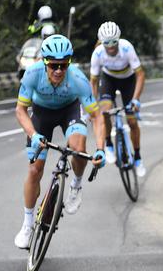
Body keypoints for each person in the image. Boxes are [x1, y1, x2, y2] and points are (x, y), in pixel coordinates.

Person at [14, 35, 106, 248]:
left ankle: (76, 185)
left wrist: (100, 148)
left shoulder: (77, 79)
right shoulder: (32, 73)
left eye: (63, 65)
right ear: (44, 62)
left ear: (69, 63)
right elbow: (20, 110)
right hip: (41, 114)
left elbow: (97, 116)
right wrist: (34, 135)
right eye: (53, 65)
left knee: (78, 148)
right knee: (35, 170)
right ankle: (27, 224)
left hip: (69, 111)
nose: (58, 70)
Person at [90, 21, 146, 176]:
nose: (111, 46)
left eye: (114, 42)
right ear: (102, 43)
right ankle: (108, 144)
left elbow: (140, 75)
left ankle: (138, 157)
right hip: (109, 80)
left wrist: (135, 99)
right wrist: (91, 105)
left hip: (128, 81)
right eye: (107, 43)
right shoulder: (98, 53)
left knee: (132, 121)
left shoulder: (127, 47)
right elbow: (93, 82)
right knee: (105, 111)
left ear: (119, 39)